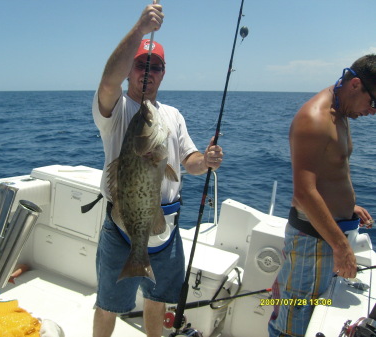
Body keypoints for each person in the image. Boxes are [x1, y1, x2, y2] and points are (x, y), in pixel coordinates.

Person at [91, 2, 224, 337]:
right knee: (107, 303)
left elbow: (188, 161)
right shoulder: (118, 110)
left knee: (158, 300)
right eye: (140, 64)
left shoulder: (173, 115)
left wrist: (204, 161)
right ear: (130, 70)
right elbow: (109, 82)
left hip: (167, 230)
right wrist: (139, 30)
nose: (146, 71)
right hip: (123, 227)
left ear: (164, 72)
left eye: (154, 65)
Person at [268, 54, 376, 337]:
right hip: (312, 244)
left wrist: (348, 205)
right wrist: (342, 248)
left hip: (327, 236)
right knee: (294, 324)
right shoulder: (314, 119)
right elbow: (304, 193)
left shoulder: (340, 112)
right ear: (355, 85)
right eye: (373, 101)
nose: (373, 111)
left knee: (313, 314)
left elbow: (329, 170)